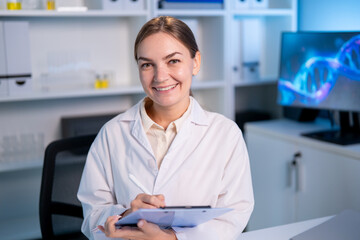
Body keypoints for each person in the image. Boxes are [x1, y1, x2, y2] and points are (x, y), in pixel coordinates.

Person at [77, 16, 254, 240]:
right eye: (147, 64)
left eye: (173, 61)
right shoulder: (112, 134)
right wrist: (124, 215)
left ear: (196, 62)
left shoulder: (225, 134)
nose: (160, 77)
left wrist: (171, 239)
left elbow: (235, 214)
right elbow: (92, 214)